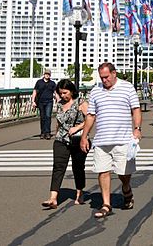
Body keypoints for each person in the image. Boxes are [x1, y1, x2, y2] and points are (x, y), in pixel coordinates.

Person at [80, 62, 142, 219]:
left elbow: (135, 109)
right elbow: (91, 115)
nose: (104, 80)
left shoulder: (127, 87)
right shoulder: (96, 91)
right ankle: (106, 204)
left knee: (123, 173)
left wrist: (137, 128)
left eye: (106, 77)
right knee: (103, 171)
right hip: (101, 140)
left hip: (123, 139)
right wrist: (84, 136)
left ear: (114, 73)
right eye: (101, 78)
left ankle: (126, 189)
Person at [42, 79, 89, 210]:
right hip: (61, 139)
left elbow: (90, 120)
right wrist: (56, 134)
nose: (63, 95)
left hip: (78, 139)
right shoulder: (59, 104)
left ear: (72, 91)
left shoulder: (81, 103)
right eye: (60, 93)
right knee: (58, 167)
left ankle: (80, 193)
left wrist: (77, 128)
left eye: (65, 93)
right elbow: (58, 122)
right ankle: (53, 198)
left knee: (78, 167)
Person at [32, 68, 58, 140]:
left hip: (49, 101)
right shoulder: (39, 82)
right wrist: (33, 101)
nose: (47, 75)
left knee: (48, 116)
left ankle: (47, 132)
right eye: (46, 74)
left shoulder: (52, 83)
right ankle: (42, 132)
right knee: (42, 117)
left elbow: (55, 92)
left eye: (48, 74)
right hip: (40, 101)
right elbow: (35, 91)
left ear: (50, 75)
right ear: (44, 75)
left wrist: (57, 100)